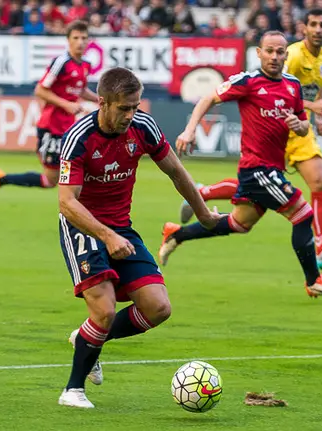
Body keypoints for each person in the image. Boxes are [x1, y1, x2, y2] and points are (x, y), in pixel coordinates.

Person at [56, 67, 221, 408]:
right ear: (102, 103)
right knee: (103, 310)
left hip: (121, 228)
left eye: (135, 107)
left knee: (158, 308)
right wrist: (106, 236)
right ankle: (73, 390)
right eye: (123, 108)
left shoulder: (142, 126)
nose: (130, 115)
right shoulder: (79, 138)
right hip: (82, 228)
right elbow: (67, 202)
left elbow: (176, 170)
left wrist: (203, 214)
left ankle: (87, 339)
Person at [158, 30, 322, 299]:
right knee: (303, 214)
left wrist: (301, 125)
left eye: (279, 51)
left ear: (286, 55)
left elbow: (304, 127)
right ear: (258, 53)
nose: (274, 56)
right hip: (257, 168)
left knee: (239, 224)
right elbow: (207, 98)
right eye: (268, 51)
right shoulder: (248, 81)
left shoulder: (293, 85)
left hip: (273, 168)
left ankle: (177, 234)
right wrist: (190, 130)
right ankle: (314, 279)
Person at [0, 20, 99, 201]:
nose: (80, 42)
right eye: (76, 37)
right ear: (68, 40)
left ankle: (84, 213)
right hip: (51, 127)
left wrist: (99, 99)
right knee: (51, 179)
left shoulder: (85, 65)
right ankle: (1, 179)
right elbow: (40, 90)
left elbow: (79, 89)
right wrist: (66, 105)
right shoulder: (61, 63)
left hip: (68, 128)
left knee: (75, 171)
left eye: (84, 38)